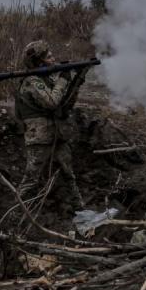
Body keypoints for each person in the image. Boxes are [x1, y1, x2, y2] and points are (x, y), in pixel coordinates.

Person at [14, 40, 85, 209]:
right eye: (49, 56)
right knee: (31, 180)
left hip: (56, 133)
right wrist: (62, 80)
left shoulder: (45, 79)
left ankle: (79, 209)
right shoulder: (32, 81)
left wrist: (75, 81)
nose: (53, 59)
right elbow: (52, 102)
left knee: (69, 174)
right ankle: (16, 215)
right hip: (39, 137)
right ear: (39, 61)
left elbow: (64, 105)